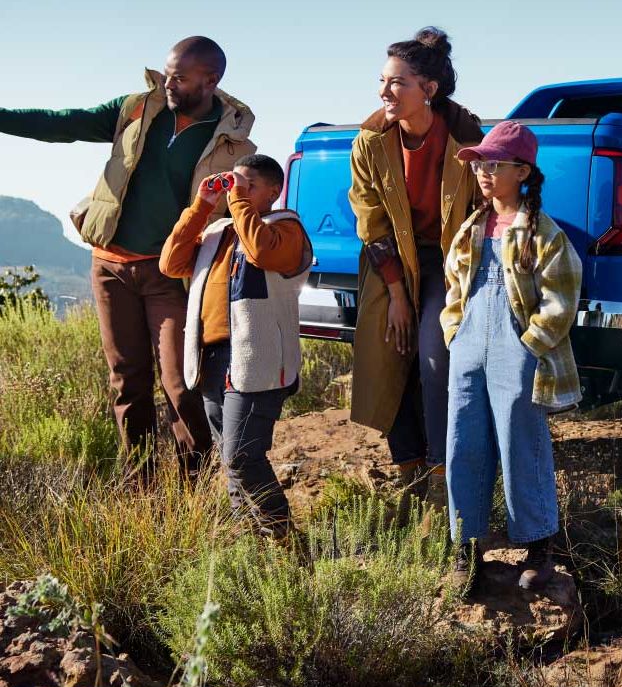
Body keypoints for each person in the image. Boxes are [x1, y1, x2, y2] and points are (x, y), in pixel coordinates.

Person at [0, 36, 255, 477]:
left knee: (181, 382)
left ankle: (193, 485)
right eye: (166, 72)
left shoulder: (234, 145)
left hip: (169, 275)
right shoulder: (137, 108)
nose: (167, 83)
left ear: (210, 80)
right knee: (127, 379)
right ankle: (141, 483)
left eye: (179, 77)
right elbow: (63, 123)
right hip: (110, 266)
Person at [441, 120, 582, 591]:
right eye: (480, 163)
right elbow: (456, 287)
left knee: (520, 441)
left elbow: (560, 299)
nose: (483, 171)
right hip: (469, 345)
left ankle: (539, 546)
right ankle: (465, 546)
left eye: (495, 164)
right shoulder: (472, 227)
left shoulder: (542, 232)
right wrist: (454, 331)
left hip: (516, 347)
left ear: (522, 171)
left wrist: (530, 346)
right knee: (463, 440)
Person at [348, 27, 483, 511]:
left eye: (396, 83)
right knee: (391, 357)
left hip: (450, 265)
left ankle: (444, 479)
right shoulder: (370, 141)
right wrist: (398, 297)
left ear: (428, 89)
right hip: (391, 263)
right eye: (382, 81)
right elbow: (371, 220)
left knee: (434, 361)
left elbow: (486, 208)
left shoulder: (466, 137)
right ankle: (408, 476)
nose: (384, 92)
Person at [159, 154, 312, 538]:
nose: (235, 194)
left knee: (242, 456)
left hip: (256, 359)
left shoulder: (285, 227)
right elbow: (171, 262)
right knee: (232, 459)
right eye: (233, 186)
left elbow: (262, 252)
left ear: (273, 192)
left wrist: (239, 201)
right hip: (211, 358)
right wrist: (201, 206)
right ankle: (252, 544)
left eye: (248, 187)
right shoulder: (218, 233)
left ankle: (284, 540)